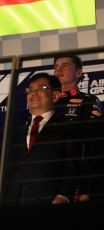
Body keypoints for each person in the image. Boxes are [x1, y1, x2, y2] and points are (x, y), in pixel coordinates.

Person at [0, 72, 81, 207]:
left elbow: (72, 167)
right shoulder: (15, 133)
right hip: (12, 205)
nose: (34, 93)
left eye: (42, 89)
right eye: (30, 90)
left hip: (47, 205)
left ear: (55, 96)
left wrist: (63, 196)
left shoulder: (67, 129)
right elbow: (5, 171)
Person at [54, 54, 104, 202]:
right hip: (45, 179)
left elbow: (94, 147)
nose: (59, 70)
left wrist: (86, 188)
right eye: (56, 67)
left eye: (65, 66)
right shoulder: (44, 104)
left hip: (74, 179)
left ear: (79, 72)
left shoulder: (88, 101)